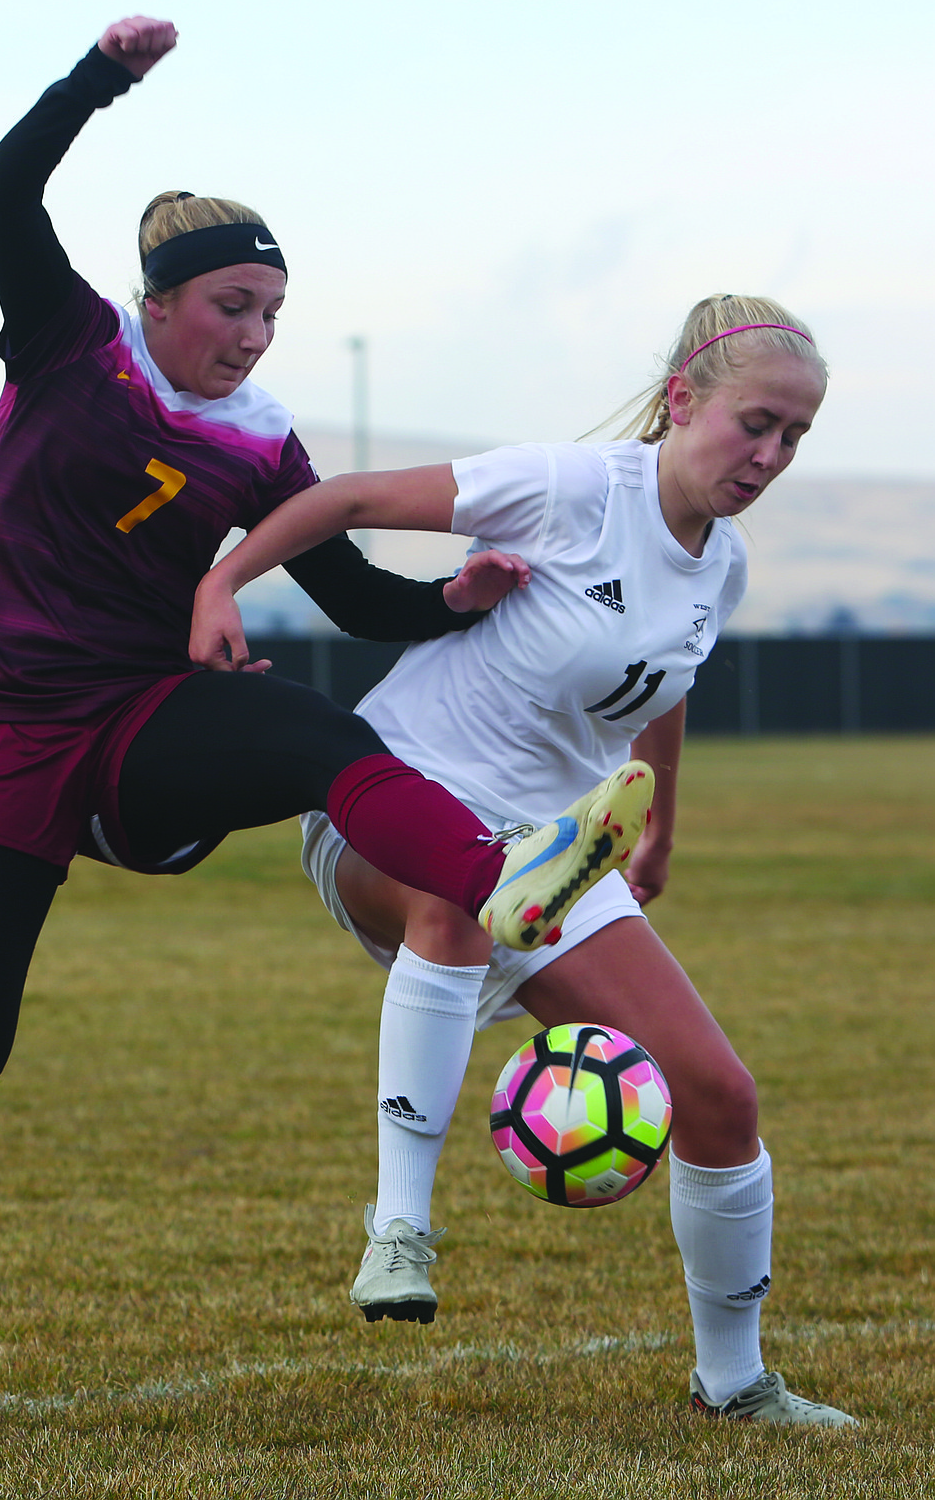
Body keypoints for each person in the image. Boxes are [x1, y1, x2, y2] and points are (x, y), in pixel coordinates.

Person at [0, 16, 653, 1427]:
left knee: (316, 739)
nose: (253, 333)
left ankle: (497, 884)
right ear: (157, 301)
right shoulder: (67, 342)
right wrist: (100, 77)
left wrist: (454, 599)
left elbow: (342, 589)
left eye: (270, 310)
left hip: (135, 721)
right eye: (230, 305)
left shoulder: (263, 435)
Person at [191, 295, 857, 1427]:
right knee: (465, 885)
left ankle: (735, 1383)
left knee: (719, 1096)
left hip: (556, 855)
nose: (771, 454)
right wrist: (221, 584)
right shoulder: (572, 489)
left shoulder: (722, 564)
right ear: (684, 400)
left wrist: (660, 826)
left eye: (794, 436)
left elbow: (663, 691)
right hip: (393, 799)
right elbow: (346, 500)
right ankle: (398, 1225)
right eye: (756, 422)